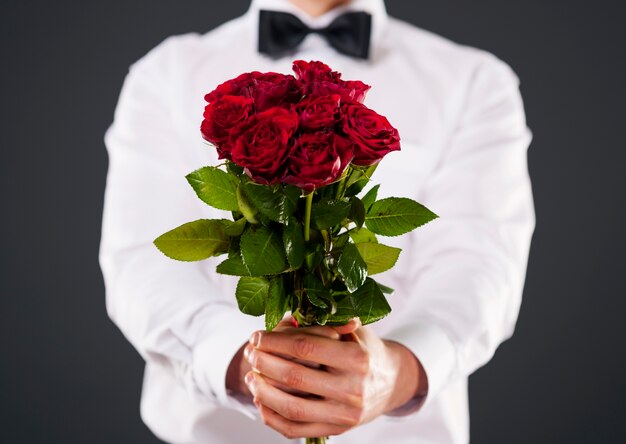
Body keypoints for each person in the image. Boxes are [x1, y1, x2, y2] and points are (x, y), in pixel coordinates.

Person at [99, 0, 535, 442]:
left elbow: (479, 264)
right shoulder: (166, 72)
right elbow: (141, 262)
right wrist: (253, 365)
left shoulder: (473, 80)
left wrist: (395, 372)